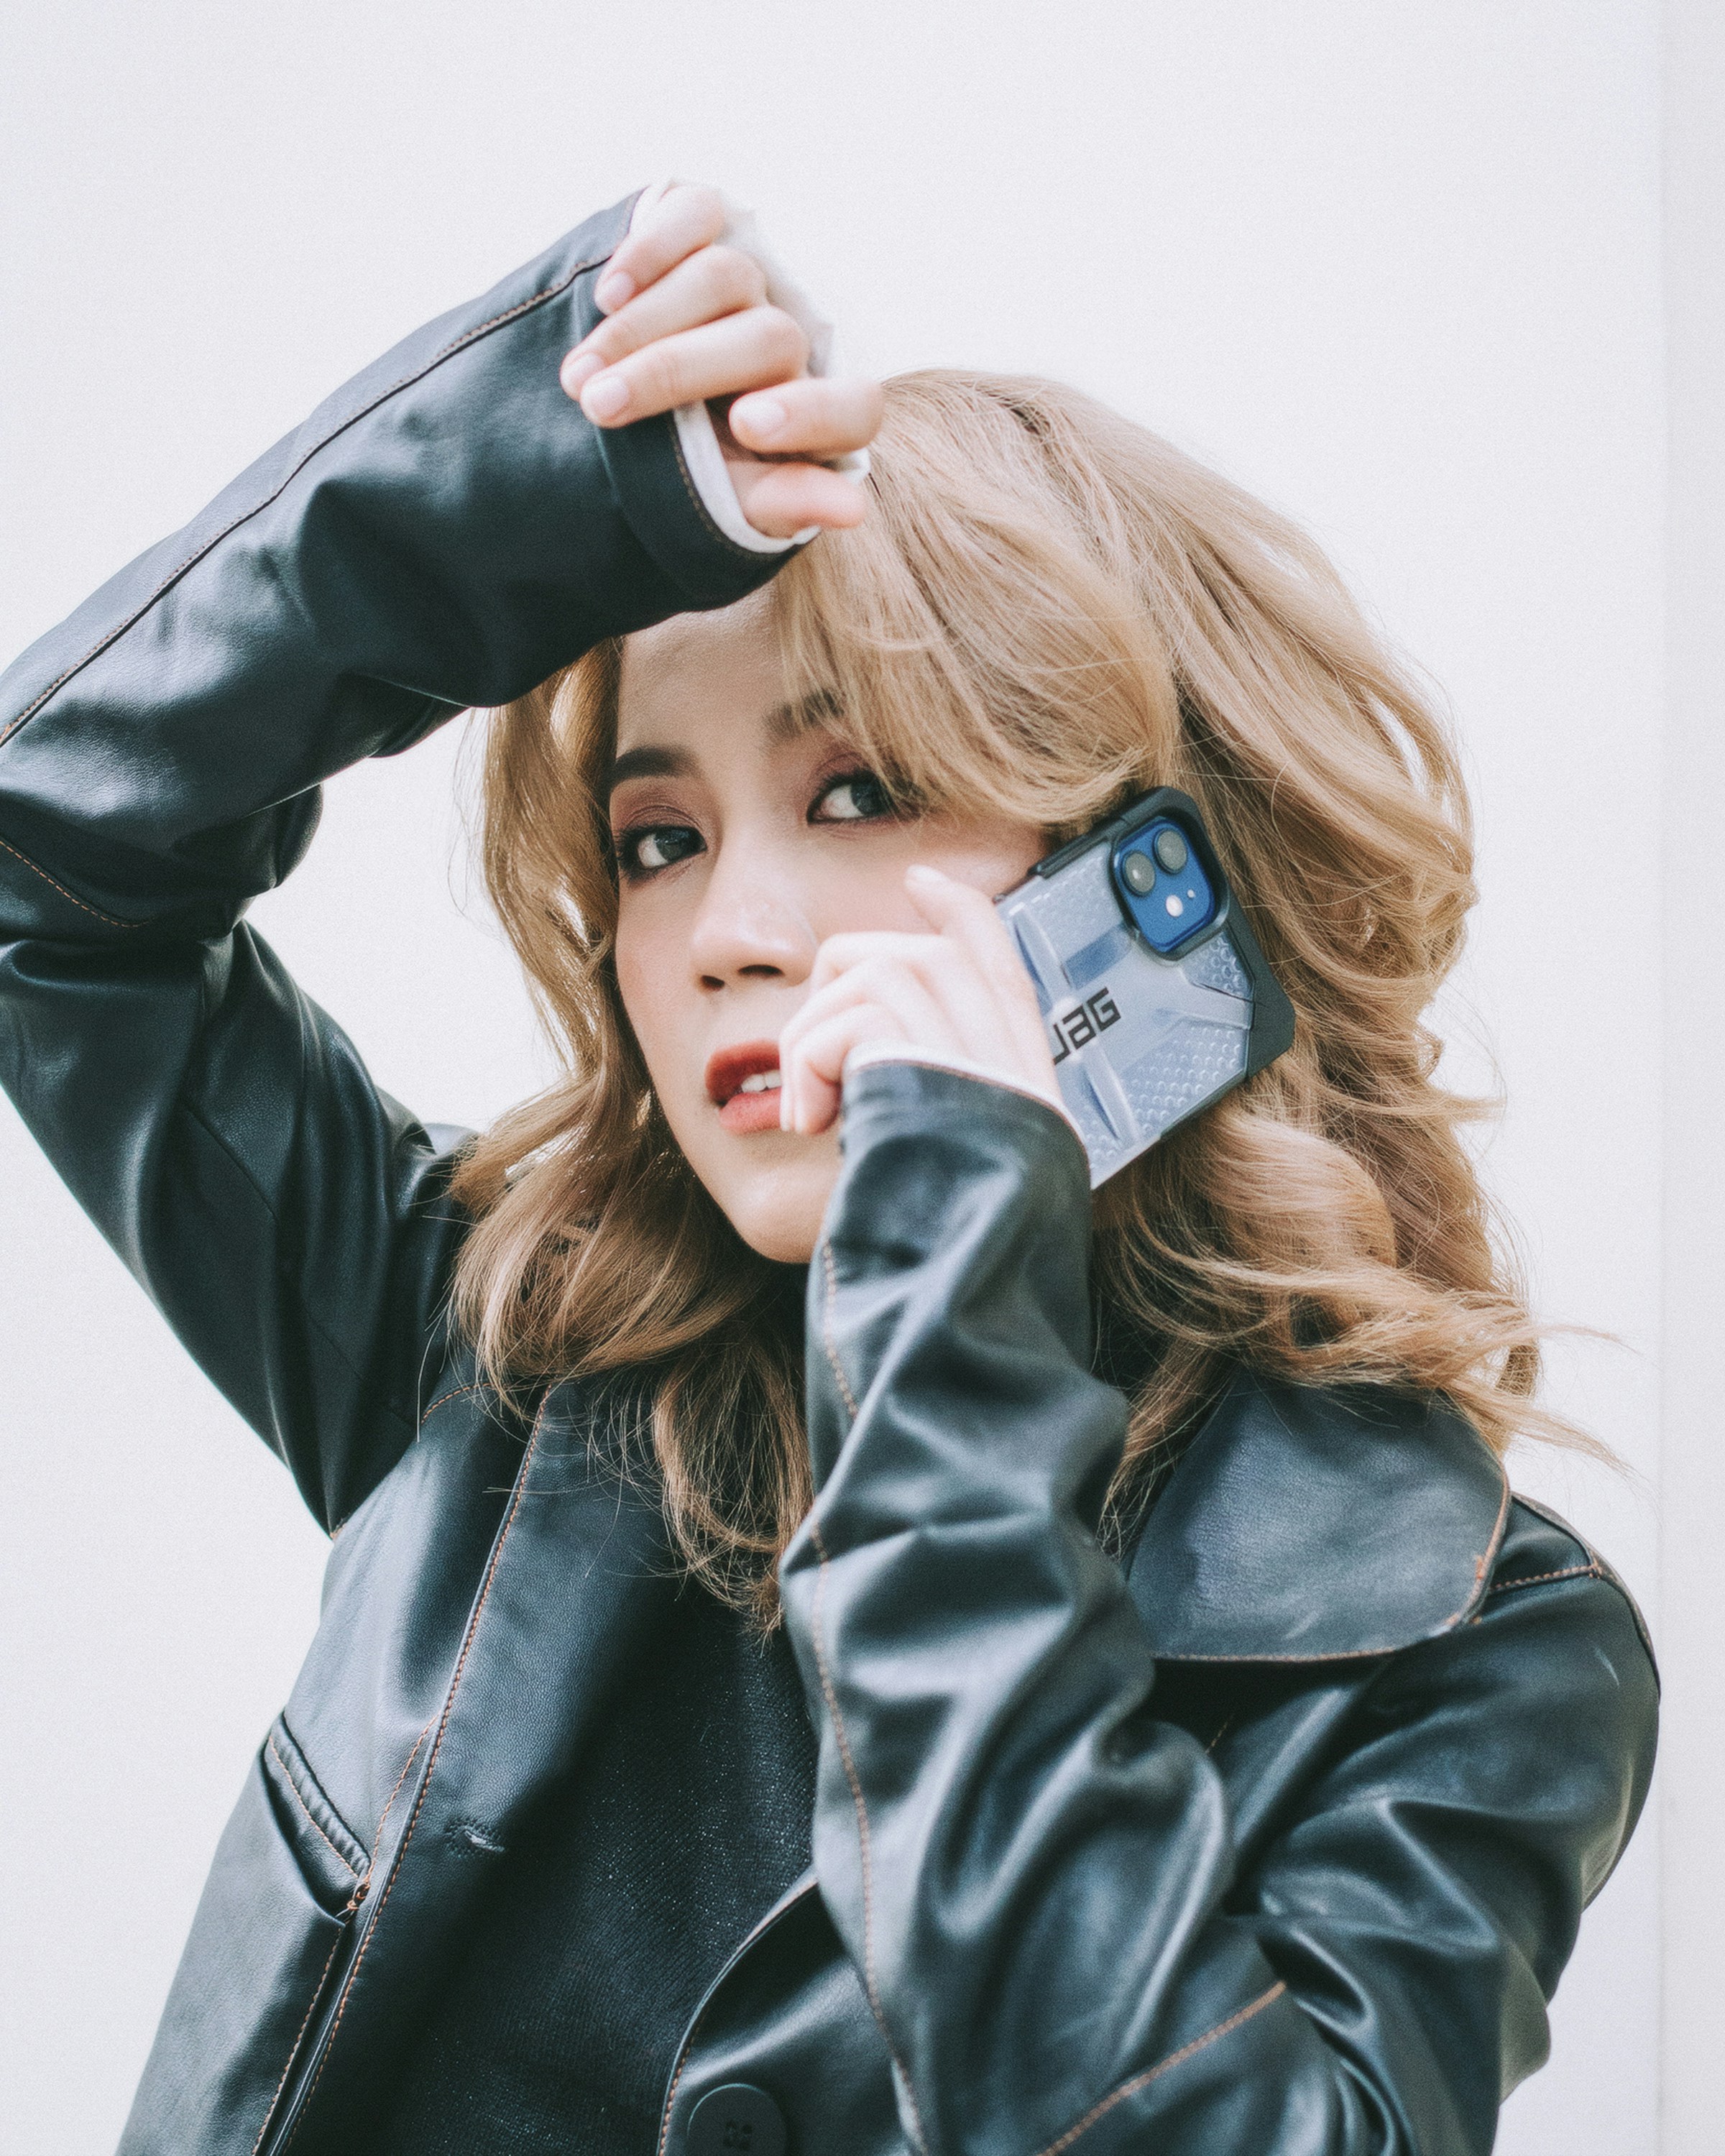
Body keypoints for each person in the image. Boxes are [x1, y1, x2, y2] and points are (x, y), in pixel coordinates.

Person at [0, 181, 1655, 2156]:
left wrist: (952, 1308)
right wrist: (526, 479)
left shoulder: (1472, 1645)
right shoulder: (487, 1357)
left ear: (1167, 880)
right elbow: (51, 870)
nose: (726, 931)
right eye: (654, 837)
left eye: (857, 787)